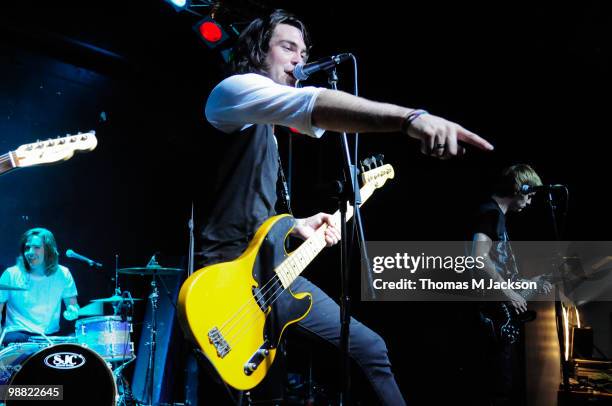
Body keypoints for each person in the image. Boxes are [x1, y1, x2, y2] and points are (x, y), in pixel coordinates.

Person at [201, 9, 494, 405]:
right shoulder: (233, 91)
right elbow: (315, 103)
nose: (298, 60)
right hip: (227, 280)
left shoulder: (266, 131)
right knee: (248, 394)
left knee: (370, 349)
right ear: (257, 52)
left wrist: (297, 225)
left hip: (271, 273)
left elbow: (258, 216)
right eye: (288, 47)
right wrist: (411, 119)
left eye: (303, 54)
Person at [470, 164, 552, 405]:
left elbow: (500, 269)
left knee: (503, 386)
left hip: (498, 316)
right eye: (530, 194)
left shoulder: (499, 218)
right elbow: (477, 257)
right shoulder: (490, 212)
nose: (531, 200)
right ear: (520, 188)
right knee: (497, 389)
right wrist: (508, 293)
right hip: (490, 317)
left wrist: (529, 282)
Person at [0, 227, 79, 345]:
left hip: (49, 337)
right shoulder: (10, 274)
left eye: (36, 247)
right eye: (27, 248)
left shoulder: (63, 274)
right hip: (17, 335)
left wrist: (73, 311)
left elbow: (73, 306)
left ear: (48, 250)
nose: (30, 252)